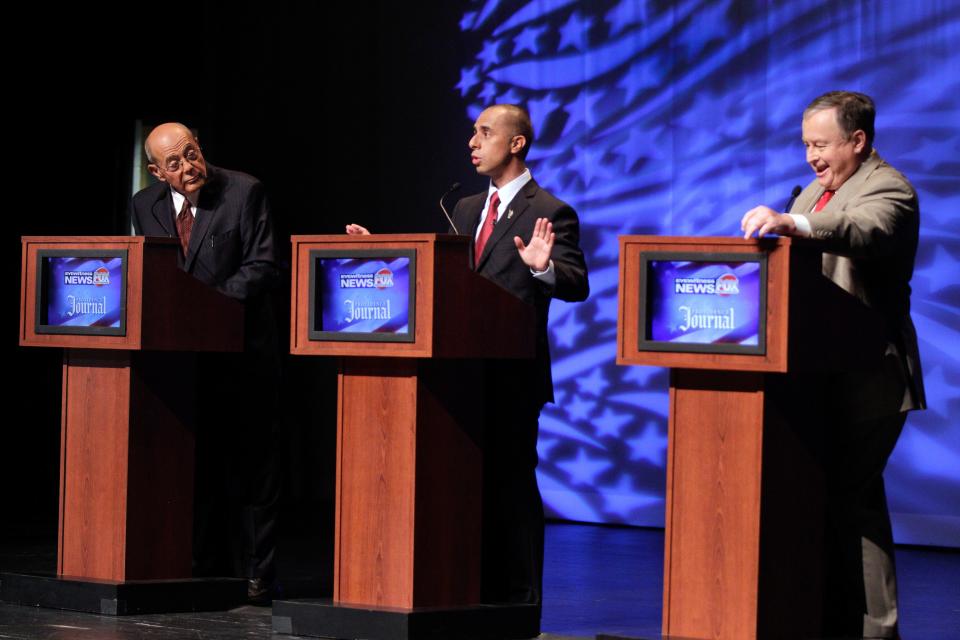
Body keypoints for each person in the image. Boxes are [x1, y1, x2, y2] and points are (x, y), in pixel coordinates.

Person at [347, 104, 589, 613]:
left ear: (517, 143)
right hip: (459, 374)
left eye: (484, 133)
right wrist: (389, 256)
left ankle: (521, 601)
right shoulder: (463, 208)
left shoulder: (551, 209)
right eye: (472, 134)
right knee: (463, 483)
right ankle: (471, 589)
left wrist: (545, 270)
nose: (472, 142)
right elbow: (447, 279)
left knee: (511, 483)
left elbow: (577, 282)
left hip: (512, 372)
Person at [742, 91, 925, 639]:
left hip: (870, 376)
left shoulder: (889, 188)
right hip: (817, 374)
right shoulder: (814, 193)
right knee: (837, 501)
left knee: (854, 501)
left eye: (820, 145)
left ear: (858, 141)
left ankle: (875, 629)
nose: (810, 158)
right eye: (805, 145)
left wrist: (794, 225)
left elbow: (865, 231)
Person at [130, 122, 281, 604]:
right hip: (179, 363)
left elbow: (262, 265)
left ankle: (259, 573)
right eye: (173, 163)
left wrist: (202, 311)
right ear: (157, 172)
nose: (189, 167)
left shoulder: (244, 191)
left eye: (191, 153)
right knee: (196, 466)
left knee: (255, 468)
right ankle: (203, 564)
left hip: (242, 355)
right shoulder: (144, 206)